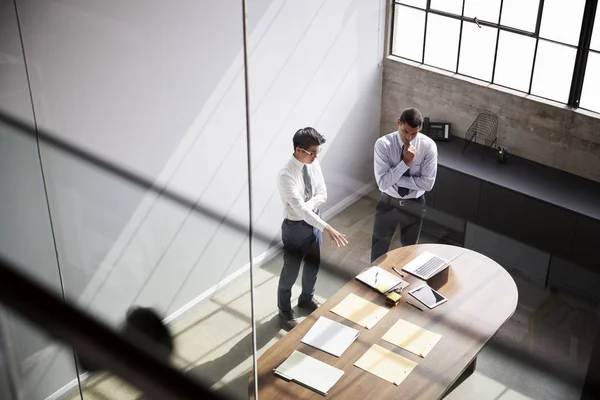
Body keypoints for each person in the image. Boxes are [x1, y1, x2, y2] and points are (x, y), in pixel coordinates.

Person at [277, 127, 348, 330]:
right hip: (295, 229)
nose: (316, 156)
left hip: (314, 221)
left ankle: (306, 299)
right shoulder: (286, 176)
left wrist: (306, 208)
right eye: (313, 152)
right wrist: (326, 227)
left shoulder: (313, 164)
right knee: (290, 273)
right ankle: (284, 309)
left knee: (313, 266)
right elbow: (298, 212)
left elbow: (322, 193)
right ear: (299, 150)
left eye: (318, 152)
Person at [371, 107, 438, 262]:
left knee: (409, 253)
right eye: (405, 131)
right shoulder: (383, 145)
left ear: (419, 129)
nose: (409, 137)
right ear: (398, 123)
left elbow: (427, 184)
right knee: (378, 252)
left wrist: (393, 177)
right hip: (388, 204)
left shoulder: (428, 146)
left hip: (415, 206)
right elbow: (382, 184)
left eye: (414, 133)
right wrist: (405, 163)